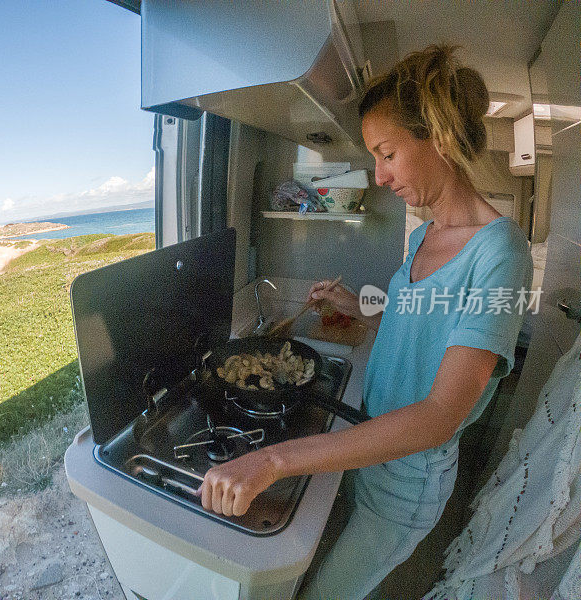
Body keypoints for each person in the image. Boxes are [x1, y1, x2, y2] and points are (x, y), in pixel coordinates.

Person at [196, 44, 534, 599]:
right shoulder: (425, 235)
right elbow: (421, 325)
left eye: (387, 154)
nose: (379, 177)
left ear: (439, 139)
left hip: (408, 482)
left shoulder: (501, 251)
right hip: (371, 443)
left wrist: (273, 460)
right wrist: (359, 307)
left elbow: (438, 418)